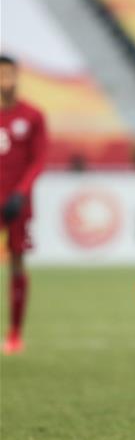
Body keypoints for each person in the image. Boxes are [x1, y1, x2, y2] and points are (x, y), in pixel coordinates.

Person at [0, 55, 47, 355]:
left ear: (17, 76)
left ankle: (15, 334)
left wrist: (21, 192)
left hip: (17, 203)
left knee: (17, 262)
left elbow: (38, 159)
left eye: (9, 74)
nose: (6, 80)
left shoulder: (32, 115)